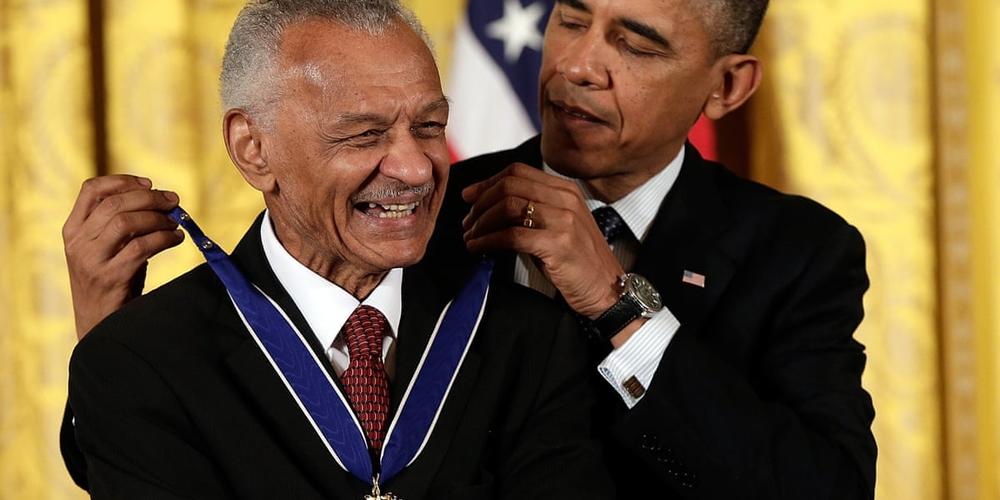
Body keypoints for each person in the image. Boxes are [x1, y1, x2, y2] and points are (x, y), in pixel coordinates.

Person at [63, 0, 877, 498]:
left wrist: (619, 305)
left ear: (726, 86)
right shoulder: (412, 202)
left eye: (637, 43)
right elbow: (212, 405)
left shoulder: (800, 252)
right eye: (568, 17)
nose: (580, 65)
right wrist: (109, 335)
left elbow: (824, 489)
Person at [61, 1, 612, 498]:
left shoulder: (528, 337)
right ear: (254, 150)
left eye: (429, 126)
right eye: (364, 135)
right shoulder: (143, 359)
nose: (417, 167)